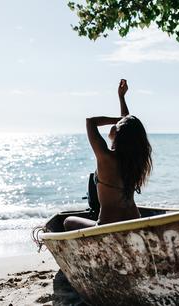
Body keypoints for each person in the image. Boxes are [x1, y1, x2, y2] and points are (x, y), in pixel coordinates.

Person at [63, 79, 152, 231]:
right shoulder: (135, 160)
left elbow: (90, 122)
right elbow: (129, 131)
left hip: (109, 226)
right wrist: (122, 98)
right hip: (134, 222)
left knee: (67, 221)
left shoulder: (106, 157)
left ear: (119, 133)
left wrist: (120, 120)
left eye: (115, 126)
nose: (112, 127)